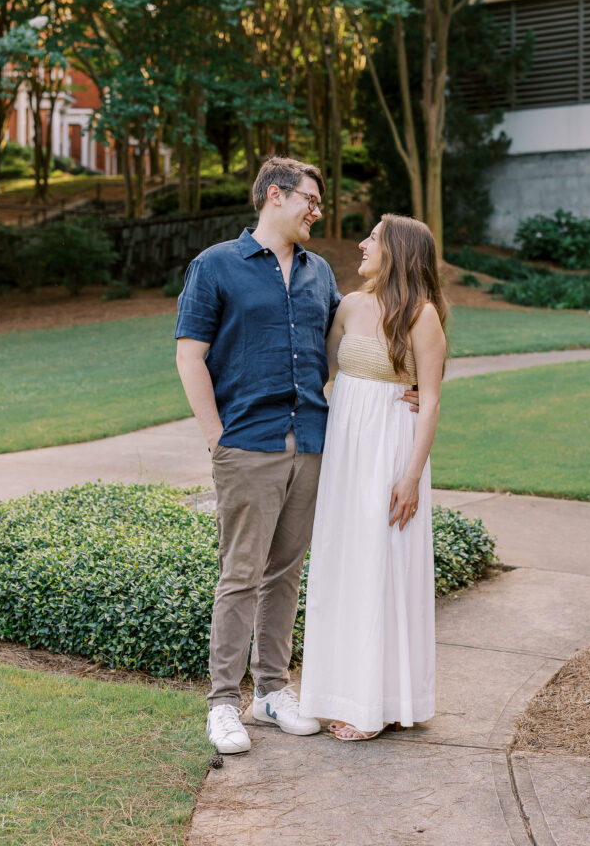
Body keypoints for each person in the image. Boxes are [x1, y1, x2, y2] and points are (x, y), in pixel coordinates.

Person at [175, 157, 343, 754]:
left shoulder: (320, 273)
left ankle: (271, 691)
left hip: (311, 443)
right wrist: (216, 438)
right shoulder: (216, 265)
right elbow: (190, 355)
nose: (316, 211)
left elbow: (344, 348)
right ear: (276, 194)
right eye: (310, 200)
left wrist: (406, 381)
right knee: (240, 575)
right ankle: (223, 703)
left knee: (284, 574)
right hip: (247, 444)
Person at [299, 214, 447, 741]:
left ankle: (379, 704)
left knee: (384, 565)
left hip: (392, 452)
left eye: (373, 239)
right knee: (344, 562)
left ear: (398, 251)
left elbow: (430, 400)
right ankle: (337, 693)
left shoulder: (422, 316)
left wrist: (411, 476)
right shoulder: (349, 306)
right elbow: (319, 372)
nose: (361, 245)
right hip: (346, 453)